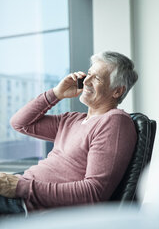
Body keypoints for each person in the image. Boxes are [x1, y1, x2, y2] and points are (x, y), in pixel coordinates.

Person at [0, 51, 138, 215]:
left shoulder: (114, 121)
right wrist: (56, 93)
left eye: (97, 78)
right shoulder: (72, 120)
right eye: (89, 74)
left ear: (117, 91)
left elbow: (93, 193)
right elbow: (19, 123)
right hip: (18, 192)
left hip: (27, 204)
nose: (86, 81)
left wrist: (19, 187)